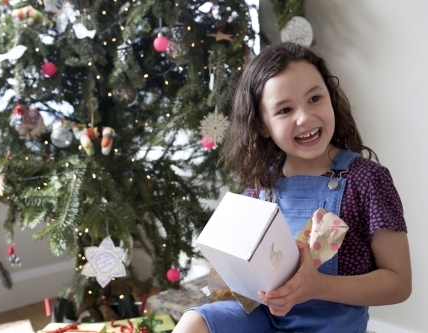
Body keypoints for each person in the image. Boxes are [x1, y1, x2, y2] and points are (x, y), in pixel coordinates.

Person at [173, 42, 411, 333]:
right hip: (264, 318)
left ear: (330, 97)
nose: (305, 117)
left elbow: (399, 283)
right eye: (285, 109)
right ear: (262, 125)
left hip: (333, 325)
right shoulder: (262, 184)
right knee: (193, 322)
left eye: (314, 98)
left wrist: (318, 286)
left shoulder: (366, 180)